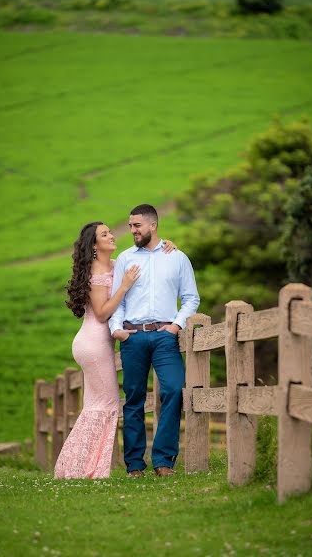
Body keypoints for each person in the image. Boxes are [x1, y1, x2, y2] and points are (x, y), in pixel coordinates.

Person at [54, 221, 176, 479]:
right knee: (107, 404)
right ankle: (86, 468)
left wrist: (167, 245)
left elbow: (145, 253)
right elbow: (100, 314)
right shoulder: (97, 272)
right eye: (105, 234)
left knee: (96, 405)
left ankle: (78, 466)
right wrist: (124, 286)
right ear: (94, 246)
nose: (112, 235)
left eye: (110, 231)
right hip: (94, 343)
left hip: (94, 343)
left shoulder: (115, 263)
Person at [109, 204, 200, 477]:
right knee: (134, 399)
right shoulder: (125, 259)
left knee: (173, 389)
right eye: (130, 226)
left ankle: (163, 461)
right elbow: (118, 300)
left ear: (153, 225)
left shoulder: (178, 258)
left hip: (164, 337)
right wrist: (118, 330)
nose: (132, 230)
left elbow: (191, 297)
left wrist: (176, 325)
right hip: (133, 336)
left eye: (137, 225)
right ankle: (134, 465)